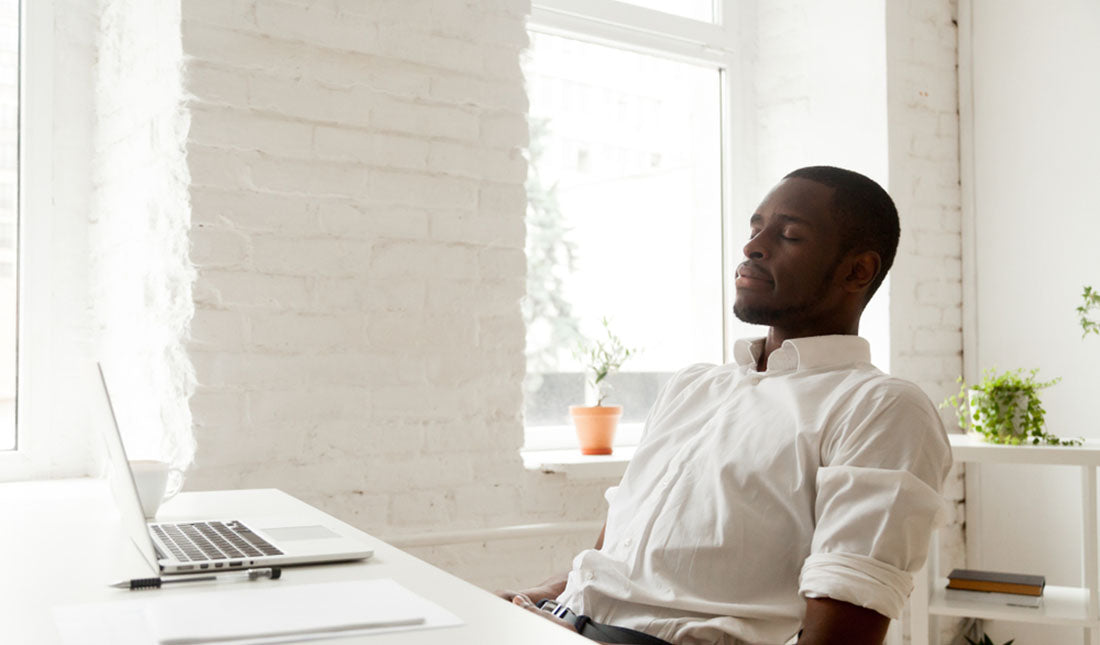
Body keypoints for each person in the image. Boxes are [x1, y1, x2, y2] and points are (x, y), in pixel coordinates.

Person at [500, 166, 953, 645]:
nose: (753, 246)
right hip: (561, 621)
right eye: (755, 228)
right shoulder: (693, 385)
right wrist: (533, 601)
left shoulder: (880, 409)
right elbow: (614, 556)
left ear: (856, 270)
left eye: (790, 235)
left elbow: (842, 635)